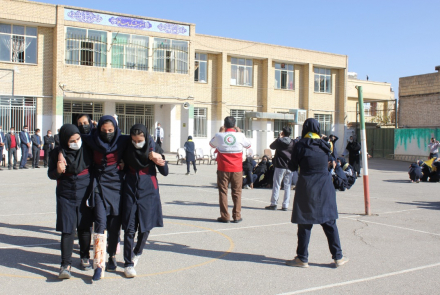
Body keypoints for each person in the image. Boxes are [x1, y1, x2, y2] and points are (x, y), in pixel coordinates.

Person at [286, 118, 348, 268]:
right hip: (325, 186)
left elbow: (293, 166)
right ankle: (338, 257)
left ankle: (302, 258)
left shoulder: (300, 145)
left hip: (307, 185)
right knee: (329, 222)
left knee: (305, 223)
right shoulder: (325, 145)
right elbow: (332, 161)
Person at [48, 124, 93, 279]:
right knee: (67, 229)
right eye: (72, 141)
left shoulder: (86, 148)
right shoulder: (56, 153)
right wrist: (58, 171)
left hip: (84, 192)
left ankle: (84, 257)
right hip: (65, 194)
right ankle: (65, 264)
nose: (76, 142)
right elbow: (51, 174)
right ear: (65, 141)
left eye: (78, 138)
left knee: (84, 227)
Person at [121, 124, 167, 278]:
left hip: (148, 191)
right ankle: (128, 263)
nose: (136, 143)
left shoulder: (154, 149)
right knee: (129, 228)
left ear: (146, 137)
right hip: (130, 190)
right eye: (133, 140)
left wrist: (158, 160)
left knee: (145, 227)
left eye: (139, 140)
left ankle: (137, 252)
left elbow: (165, 172)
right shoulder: (127, 148)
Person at [209, 117, 251, 223]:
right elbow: (248, 145)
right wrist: (239, 132)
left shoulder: (219, 135)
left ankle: (225, 216)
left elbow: (211, 144)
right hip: (237, 168)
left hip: (223, 168)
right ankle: (237, 216)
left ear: (224, 125)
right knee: (237, 192)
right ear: (234, 125)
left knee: (223, 192)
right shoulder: (240, 135)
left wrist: (220, 132)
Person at [265, 127, 296, 211]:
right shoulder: (293, 142)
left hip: (280, 165)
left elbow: (271, 146)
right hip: (289, 166)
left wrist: (279, 137)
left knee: (277, 184)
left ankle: (274, 203)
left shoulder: (279, 141)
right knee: (287, 186)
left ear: (283, 133)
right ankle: (285, 205)